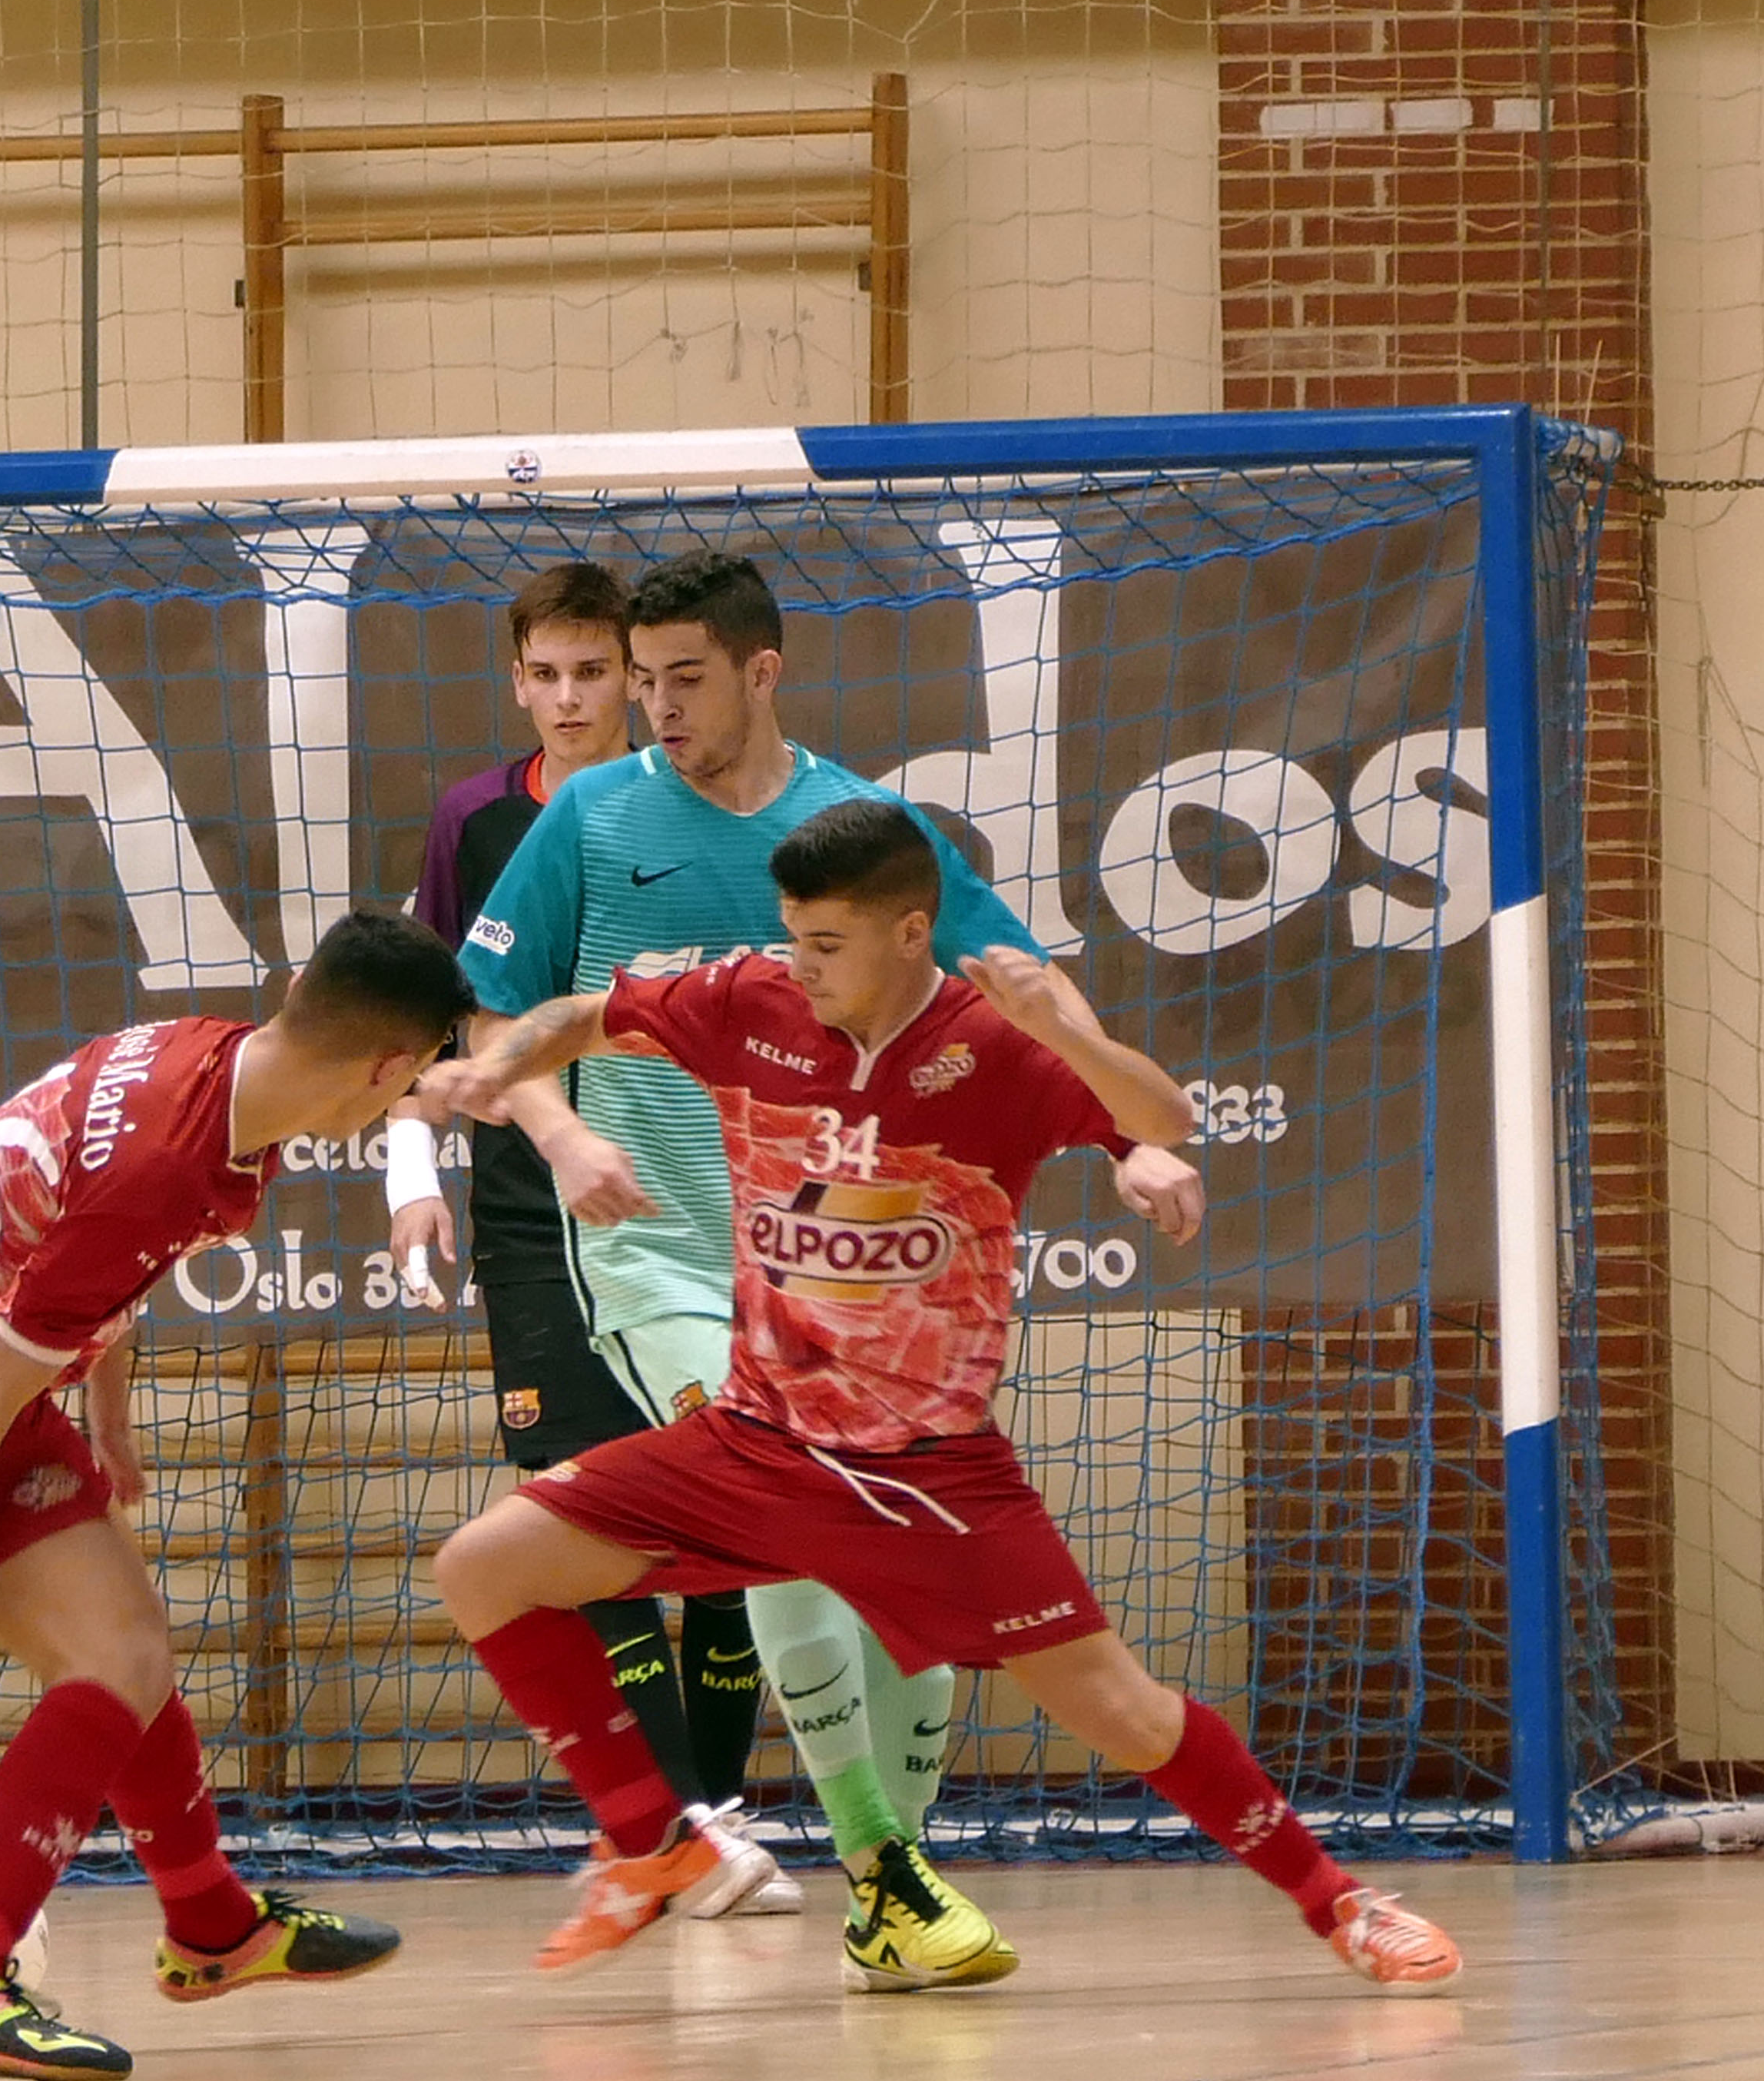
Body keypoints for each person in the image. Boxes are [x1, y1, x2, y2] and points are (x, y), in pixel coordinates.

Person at [423, 797, 1461, 1992]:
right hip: (754, 1444)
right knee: (483, 1567)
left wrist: (1066, 1038)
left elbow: (1162, 1116)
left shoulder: (997, 1050)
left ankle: (1343, 1905)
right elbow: (583, 1014)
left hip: (928, 1478)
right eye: (794, 937)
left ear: (912, 932)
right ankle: (653, 1843)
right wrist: (502, 1065)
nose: (803, 965)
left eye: (828, 944)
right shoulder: (751, 1000)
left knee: (1125, 1714)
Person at [456, 549, 1192, 1993]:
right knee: (787, 1523)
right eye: (640, 681)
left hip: (849, 1275)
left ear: (762, 671)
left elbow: (1020, 992)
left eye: (683, 679)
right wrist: (558, 1134)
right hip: (661, 1253)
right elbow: (501, 1012)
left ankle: (893, 1883)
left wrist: (1128, 1142)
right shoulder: (591, 815)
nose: (656, 708)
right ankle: (878, 1866)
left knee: (890, 1562)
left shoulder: (859, 828)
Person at [0, 913, 474, 2081]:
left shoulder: (208, 1058)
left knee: (134, 1649)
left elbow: (90, 1259)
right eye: (412, 1083)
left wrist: (106, 1413)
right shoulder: (170, 1169)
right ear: (386, 1070)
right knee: (110, 1664)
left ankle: (212, 1926)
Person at [385, 562, 780, 1903]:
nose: (570, 700)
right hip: (529, 1208)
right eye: (544, 676)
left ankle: (722, 1816)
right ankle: (676, 1833)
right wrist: (409, 1168)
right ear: (515, 683)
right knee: (579, 1512)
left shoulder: (711, 806)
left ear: (639, 677)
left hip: (690, 1205)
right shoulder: (478, 819)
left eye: (594, 673)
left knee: (726, 1520)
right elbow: (434, 1010)